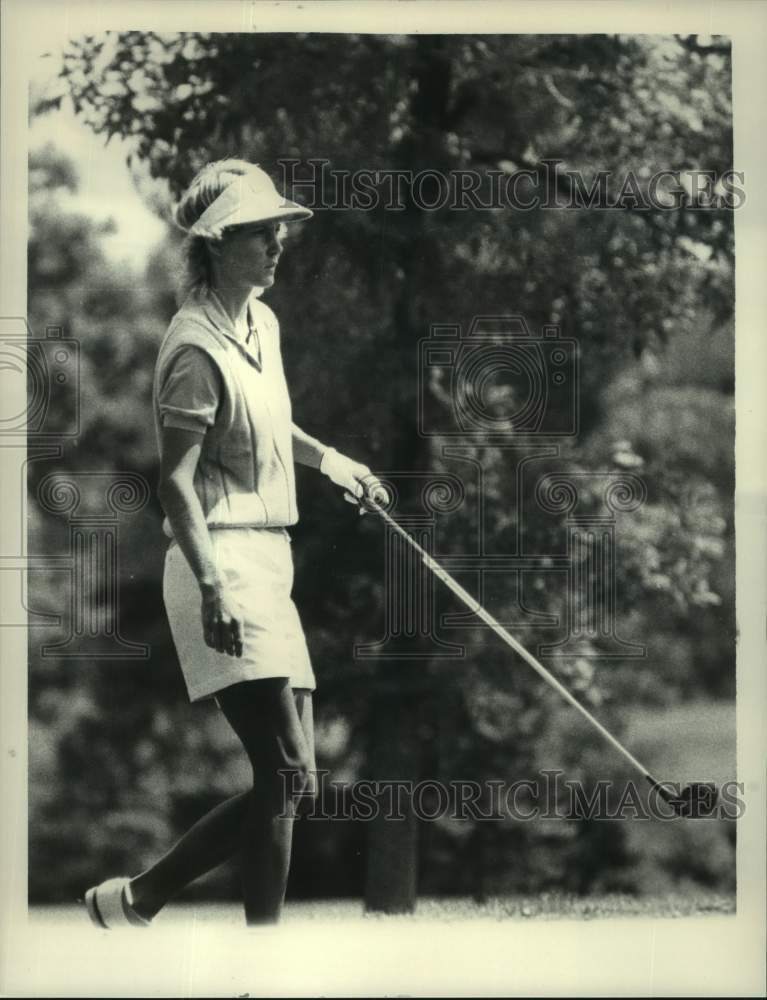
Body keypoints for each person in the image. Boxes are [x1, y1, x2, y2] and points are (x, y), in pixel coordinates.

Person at [84, 159, 386, 928]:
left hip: (268, 558)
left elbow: (262, 422)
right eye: (261, 235)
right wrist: (214, 583)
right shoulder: (191, 347)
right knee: (286, 769)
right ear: (216, 244)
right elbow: (176, 484)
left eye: (279, 233)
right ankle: (196, 920)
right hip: (215, 559)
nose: (278, 246)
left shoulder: (261, 322)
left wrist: (332, 462)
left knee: (292, 781)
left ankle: (146, 901)